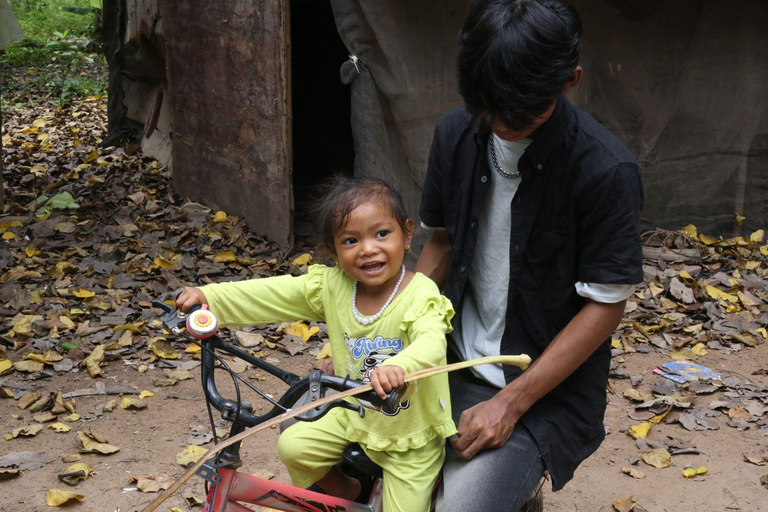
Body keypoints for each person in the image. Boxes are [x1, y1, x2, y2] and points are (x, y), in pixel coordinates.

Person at [416, 0, 643, 510]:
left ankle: (515, 480)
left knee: (459, 508)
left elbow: (605, 304)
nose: (499, 124)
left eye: (518, 111)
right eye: (487, 108)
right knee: (346, 468)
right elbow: (442, 243)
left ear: (571, 80)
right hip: (444, 365)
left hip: (539, 396)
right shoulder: (455, 133)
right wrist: (391, 330)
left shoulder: (605, 171)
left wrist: (510, 403)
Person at [176, 177, 456, 512]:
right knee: (294, 445)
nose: (368, 249)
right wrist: (211, 297)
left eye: (382, 234)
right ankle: (347, 492)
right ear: (334, 250)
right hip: (355, 415)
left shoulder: (420, 293)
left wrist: (400, 366)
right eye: (351, 240)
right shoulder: (332, 286)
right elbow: (272, 293)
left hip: (411, 436)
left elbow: (431, 343)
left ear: (407, 235)